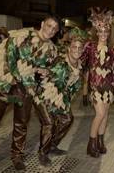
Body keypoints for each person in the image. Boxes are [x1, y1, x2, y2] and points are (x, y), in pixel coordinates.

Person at [0, 16, 59, 172]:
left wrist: (46, 71)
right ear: (42, 24)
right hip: (5, 85)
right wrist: (15, 77)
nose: (51, 30)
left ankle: (17, 156)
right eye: (49, 26)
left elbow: (53, 69)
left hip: (25, 90)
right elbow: (7, 56)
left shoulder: (52, 49)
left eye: (55, 29)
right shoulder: (22, 35)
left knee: (21, 124)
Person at [32, 27, 86, 166]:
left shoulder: (79, 66)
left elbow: (72, 88)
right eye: (74, 47)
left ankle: (52, 145)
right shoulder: (60, 60)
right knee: (49, 123)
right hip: (44, 95)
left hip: (60, 97)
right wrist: (44, 71)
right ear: (69, 48)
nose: (77, 50)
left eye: (80, 48)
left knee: (67, 119)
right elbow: (49, 68)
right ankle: (43, 153)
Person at [82, 8, 114, 158]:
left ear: (109, 32)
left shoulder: (113, 49)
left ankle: (101, 142)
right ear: (96, 31)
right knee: (100, 113)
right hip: (95, 86)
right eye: (100, 31)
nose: (103, 34)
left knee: (105, 115)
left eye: (106, 31)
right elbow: (83, 65)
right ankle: (91, 143)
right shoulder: (90, 47)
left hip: (109, 87)